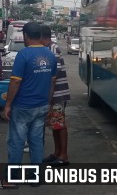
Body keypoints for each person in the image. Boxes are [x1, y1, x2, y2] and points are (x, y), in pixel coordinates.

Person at [2, 22, 56, 188]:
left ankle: (11, 179)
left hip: (23, 106)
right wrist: (48, 102)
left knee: (16, 142)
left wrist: (8, 105)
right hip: (41, 106)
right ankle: (36, 177)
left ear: (25, 35)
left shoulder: (23, 55)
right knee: (36, 142)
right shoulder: (50, 55)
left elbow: (15, 82)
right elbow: (52, 82)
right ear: (40, 35)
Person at [41, 25, 71, 166]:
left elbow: (54, 75)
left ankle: (63, 155)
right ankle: (56, 152)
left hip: (57, 93)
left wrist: (49, 96)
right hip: (55, 93)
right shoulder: (48, 49)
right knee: (55, 125)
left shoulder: (53, 49)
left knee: (59, 124)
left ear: (42, 36)